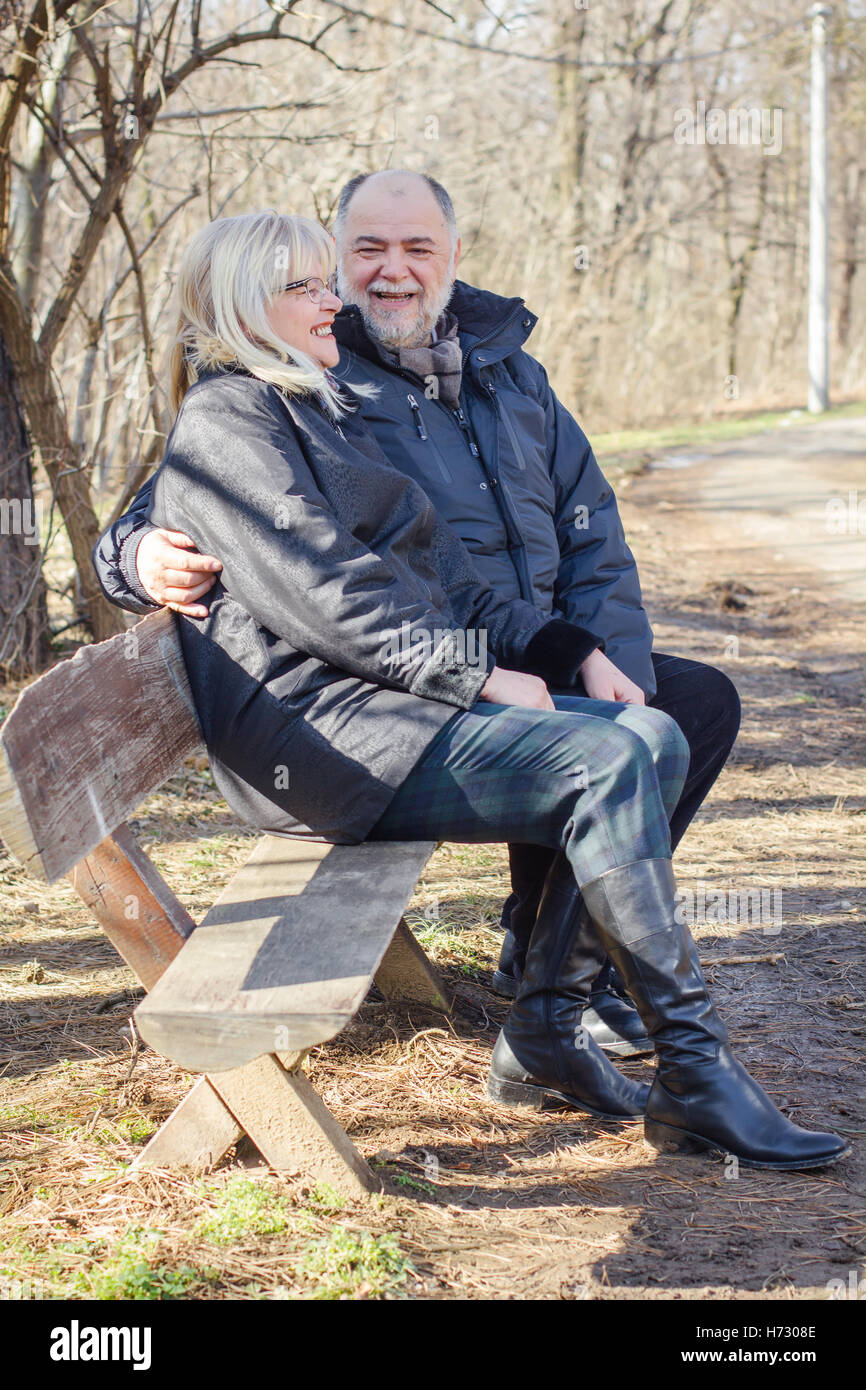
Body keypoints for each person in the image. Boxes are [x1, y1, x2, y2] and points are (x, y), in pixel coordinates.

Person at [102, 206, 846, 1171]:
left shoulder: (319, 401)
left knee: (656, 731)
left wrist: (565, 647)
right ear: (247, 307)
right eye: (311, 285)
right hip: (320, 741)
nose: (339, 300)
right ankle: (695, 1071)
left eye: (335, 279)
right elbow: (333, 597)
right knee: (612, 759)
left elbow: (451, 576)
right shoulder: (229, 422)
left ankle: (559, 1028)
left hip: (385, 709)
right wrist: (478, 677)